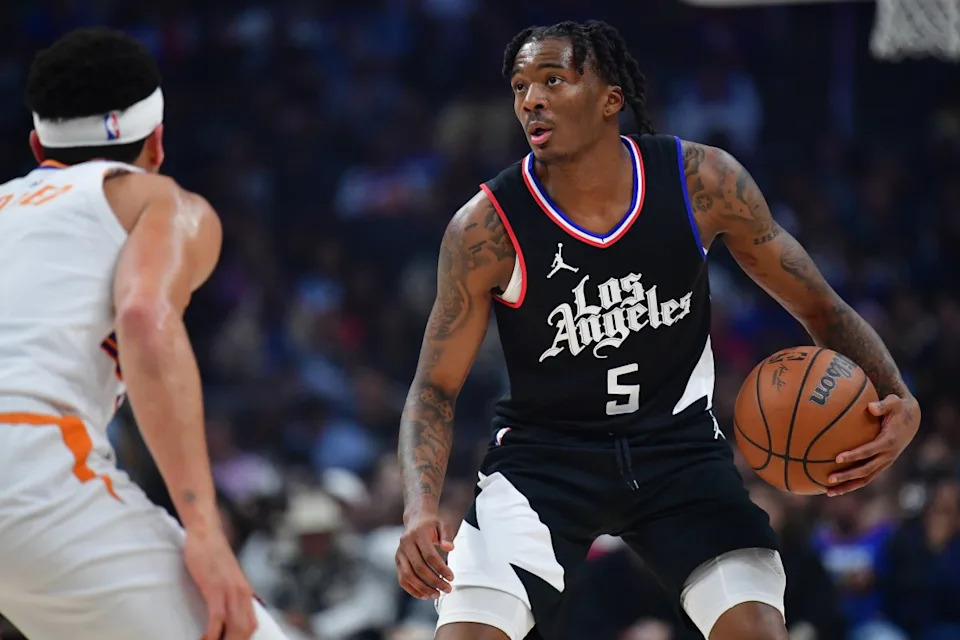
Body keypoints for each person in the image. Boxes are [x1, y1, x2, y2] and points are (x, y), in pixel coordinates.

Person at [394, 19, 921, 640]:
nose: (529, 100)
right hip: (546, 458)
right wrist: (419, 508)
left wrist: (897, 395)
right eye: (519, 86)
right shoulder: (484, 229)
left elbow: (821, 309)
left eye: (552, 80)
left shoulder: (702, 183)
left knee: (754, 631)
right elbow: (434, 387)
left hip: (678, 449)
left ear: (611, 98)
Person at [0, 28, 290, 640]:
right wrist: (205, 532)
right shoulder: (160, 201)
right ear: (156, 142)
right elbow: (142, 318)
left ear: (37, 144)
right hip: (27, 473)